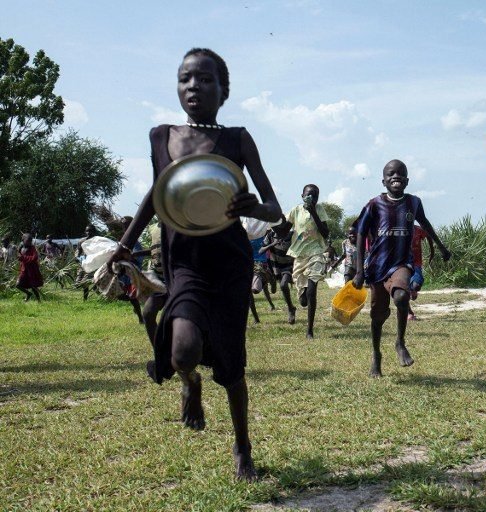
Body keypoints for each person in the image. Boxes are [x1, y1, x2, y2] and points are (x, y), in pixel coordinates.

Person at [108, 48, 281, 481]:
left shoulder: (238, 139)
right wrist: (125, 244)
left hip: (229, 262)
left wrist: (253, 208)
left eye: (205, 80)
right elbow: (155, 196)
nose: (193, 87)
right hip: (183, 260)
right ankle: (188, 383)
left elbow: (275, 208)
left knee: (232, 361)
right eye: (186, 78)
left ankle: (243, 449)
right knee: (182, 348)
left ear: (223, 91)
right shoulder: (160, 136)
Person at [352, 159, 451, 377]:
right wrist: (359, 270)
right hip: (377, 266)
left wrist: (441, 248)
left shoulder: (414, 203)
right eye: (391, 174)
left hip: (401, 263)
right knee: (377, 317)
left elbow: (425, 223)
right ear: (383, 180)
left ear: (407, 180)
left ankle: (400, 343)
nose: (395, 176)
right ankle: (376, 356)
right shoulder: (373, 204)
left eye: (400, 174)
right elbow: (360, 233)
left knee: (401, 297)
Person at [285, 184, 330, 339]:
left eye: (316, 195)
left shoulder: (319, 209)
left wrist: (313, 213)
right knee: (303, 300)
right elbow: (284, 229)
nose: (312, 198)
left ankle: (309, 330)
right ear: (302, 195)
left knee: (312, 291)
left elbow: (325, 233)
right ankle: (301, 295)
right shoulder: (295, 211)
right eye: (309, 195)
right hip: (299, 254)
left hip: (316, 252)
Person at [260, 217, 297, 324]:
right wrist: (272, 244)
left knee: (283, 285)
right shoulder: (270, 236)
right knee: (279, 288)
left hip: (290, 266)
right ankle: (290, 307)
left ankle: (290, 309)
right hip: (276, 268)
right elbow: (261, 250)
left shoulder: (292, 235)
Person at [407, 224, 434, 321]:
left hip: (416, 263)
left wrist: (432, 250)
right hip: (401, 264)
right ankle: (409, 313)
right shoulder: (398, 230)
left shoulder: (418, 229)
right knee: (402, 290)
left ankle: (412, 290)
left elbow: (429, 235)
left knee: (416, 286)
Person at [17, 233, 43, 301]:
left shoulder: (32, 248)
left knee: (33, 286)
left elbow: (35, 258)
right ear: (23, 240)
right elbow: (19, 256)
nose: (29, 242)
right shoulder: (20, 247)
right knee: (18, 285)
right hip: (24, 269)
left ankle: (38, 300)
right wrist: (19, 258)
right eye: (28, 241)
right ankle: (28, 294)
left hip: (32, 270)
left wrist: (23, 257)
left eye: (30, 241)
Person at [75, 224, 97, 300]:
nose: (88, 232)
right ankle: (95, 287)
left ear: (94, 232)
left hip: (92, 265)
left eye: (90, 231)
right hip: (82, 264)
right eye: (87, 231)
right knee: (77, 283)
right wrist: (77, 257)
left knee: (85, 282)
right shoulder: (81, 241)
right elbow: (78, 251)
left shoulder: (97, 241)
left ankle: (85, 299)